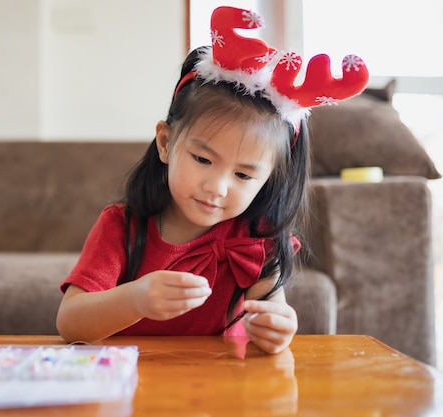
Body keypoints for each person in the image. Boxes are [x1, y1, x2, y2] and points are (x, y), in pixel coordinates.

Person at [56, 5, 368, 354]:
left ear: (267, 180)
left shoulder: (256, 238)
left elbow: (272, 315)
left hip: (221, 390)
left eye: (243, 174)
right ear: (166, 142)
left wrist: (278, 328)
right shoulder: (121, 226)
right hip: (130, 384)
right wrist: (136, 299)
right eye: (203, 159)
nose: (217, 187)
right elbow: (70, 324)